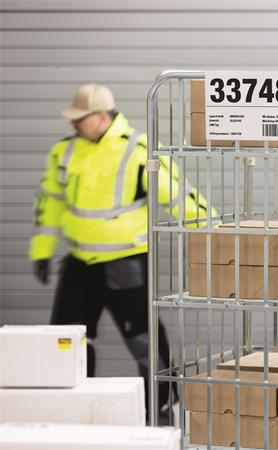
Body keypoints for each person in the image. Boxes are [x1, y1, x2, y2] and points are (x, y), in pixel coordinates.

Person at [29, 83, 210, 423]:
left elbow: (180, 198)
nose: (72, 124)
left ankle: (160, 412)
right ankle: (72, 413)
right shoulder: (64, 152)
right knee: (67, 342)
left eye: (79, 118)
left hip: (125, 264)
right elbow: (49, 203)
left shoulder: (138, 151)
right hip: (79, 264)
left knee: (145, 342)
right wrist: (41, 251)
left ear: (101, 117)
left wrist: (220, 240)